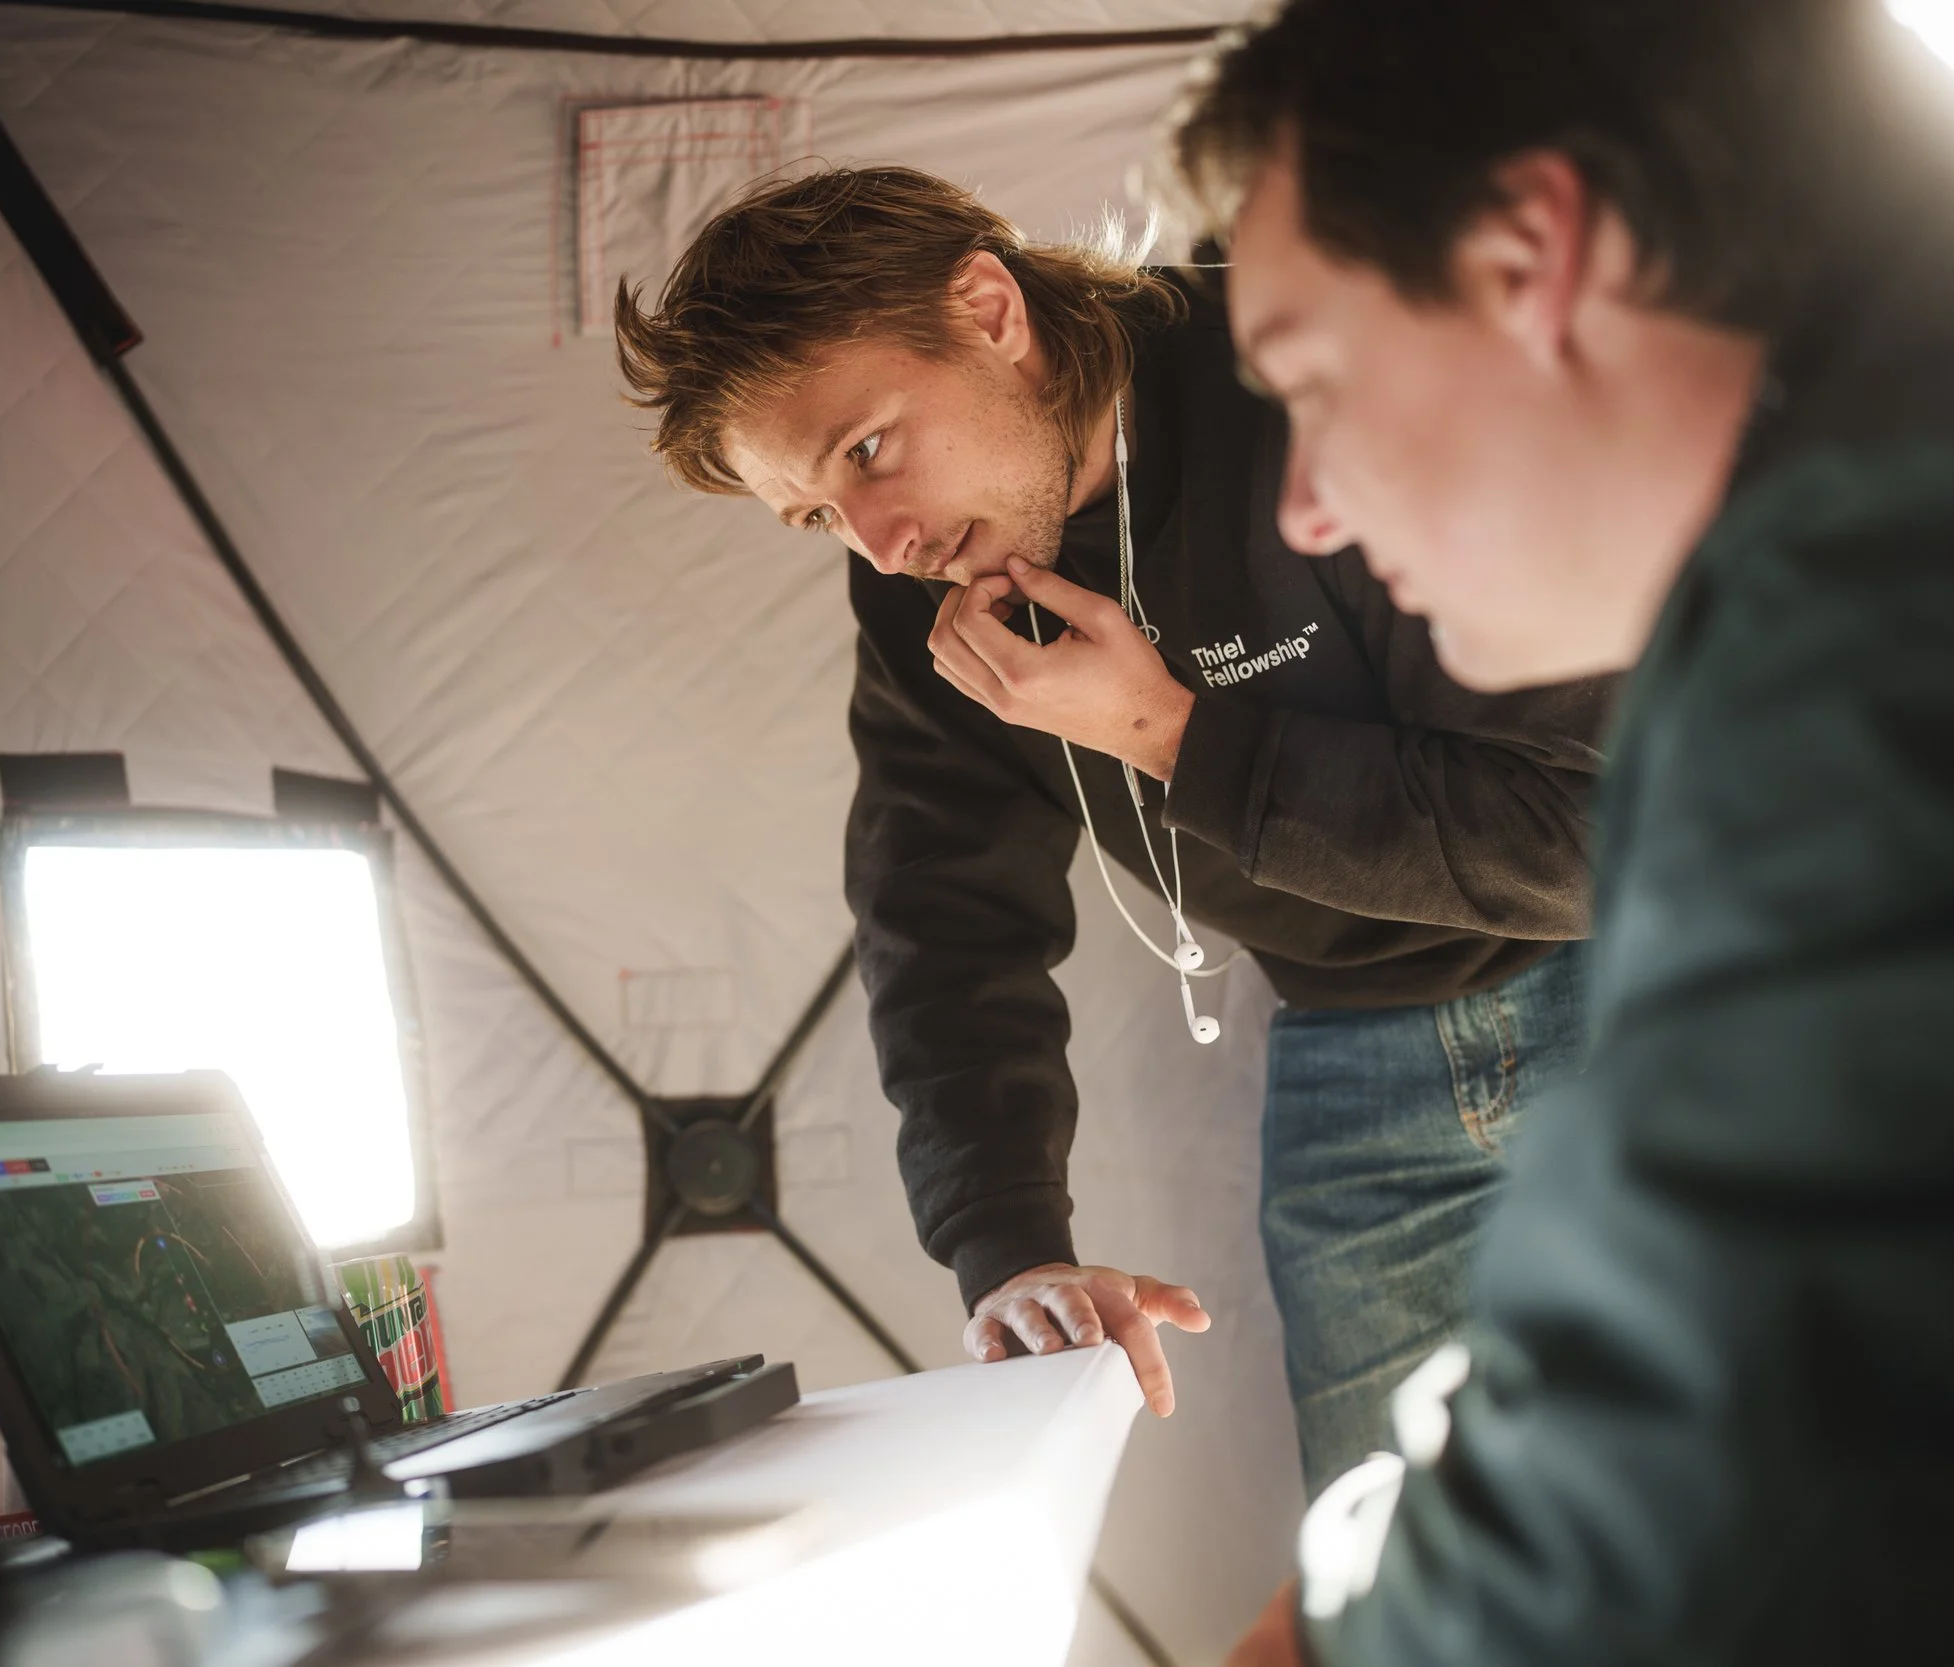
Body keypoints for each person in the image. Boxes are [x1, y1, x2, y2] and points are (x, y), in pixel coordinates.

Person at [1165, 0, 1954, 1660]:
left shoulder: (1904, 580)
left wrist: (1334, 1634)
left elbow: (1708, 1444)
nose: (1306, 503)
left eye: (1312, 380)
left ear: (1529, 259)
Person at [611, 166, 1613, 1493]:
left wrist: (1175, 737)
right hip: (1346, 1057)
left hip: (1629, 1001)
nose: (881, 544)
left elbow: (1599, 836)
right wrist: (1008, 1243)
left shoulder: (1315, 372)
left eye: (867, 451)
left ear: (987, 308)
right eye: (815, 516)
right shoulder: (930, 597)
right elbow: (938, 916)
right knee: (1402, 1577)